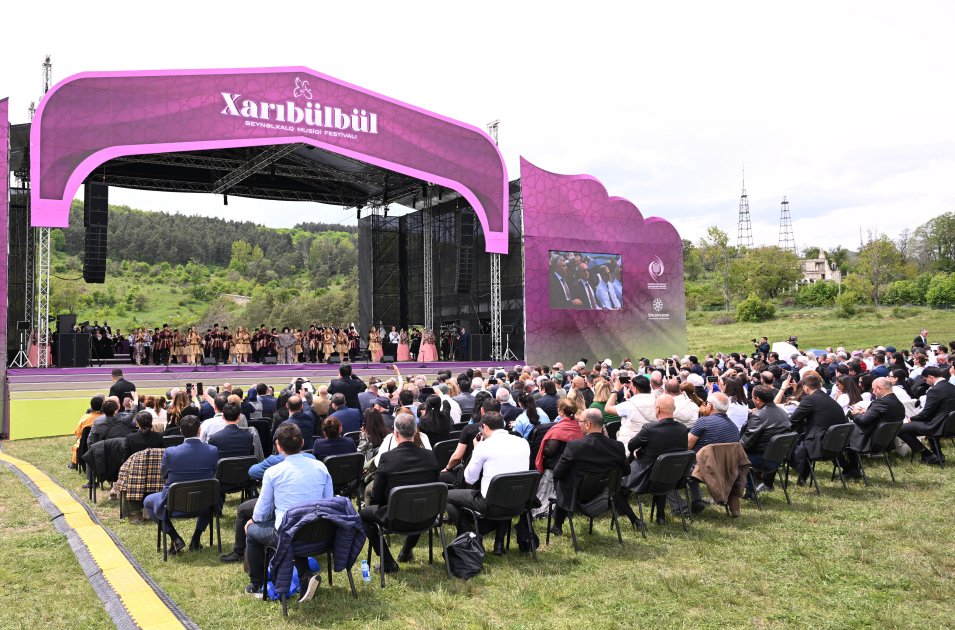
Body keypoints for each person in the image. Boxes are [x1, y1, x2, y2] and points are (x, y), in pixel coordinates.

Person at [243, 423, 334, 601]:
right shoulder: (320, 467)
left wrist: (253, 520)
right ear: (302, 443)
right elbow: (328, 502)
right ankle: (305, 575)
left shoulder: (273, 472)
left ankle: (257, 584)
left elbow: (262, 509)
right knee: (294, 529)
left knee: (252, 533)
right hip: (320, 532)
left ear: (278, 446)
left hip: (291, 534)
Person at [359, 413, 440, 572]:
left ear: (395, 433)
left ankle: (389, 562)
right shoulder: (430, 456)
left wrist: (384, 506)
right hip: (427, 516)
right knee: (419, 501)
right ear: (416, 431)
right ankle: (404, 553)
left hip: (396, 519)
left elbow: (377, 494)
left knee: (363, 515)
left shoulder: (388, 458)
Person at [446, 412, 530, 555]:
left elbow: (469, 479)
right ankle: (498, 543)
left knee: (446, 495)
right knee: (505, 491)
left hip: (491, 505)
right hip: (519, 503)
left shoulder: (484, 447)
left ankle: (472, 535)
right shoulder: (523, 442)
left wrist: (477, 448)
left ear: (484, 427)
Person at [143, 416, 218, 554]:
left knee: (148, 501)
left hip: (176, 505)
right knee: (208, 493)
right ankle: (188, 538)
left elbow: (163, 474)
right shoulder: (212, 450)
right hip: (204, 503)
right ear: (199, 430)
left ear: (181, 431)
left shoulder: (171, 452)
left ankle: (176, 537)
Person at [549, 408, 628, 536]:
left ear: (588, 424)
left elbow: (558, 473)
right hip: (606, 493)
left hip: (577, 497)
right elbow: (626, 471)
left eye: (579, 421)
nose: (578, 424)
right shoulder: (617, 446)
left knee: (563, 480)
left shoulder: (574, 446)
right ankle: (557, 524)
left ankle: (557, 524)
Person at [618, 395, 689, 526]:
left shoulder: (649, 429)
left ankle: (635, 520)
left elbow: (631, 445)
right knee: (663, 470)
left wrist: (640, 451)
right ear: (673, 409)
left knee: (616, 487)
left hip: (646, 480)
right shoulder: (683, 429)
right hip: (673, 478)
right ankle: (660, 517)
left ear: (657, 409)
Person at [682, 393, 741, 514]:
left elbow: (686, 445)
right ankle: (697, 501)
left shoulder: (703, 422)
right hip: (727, 470)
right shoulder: (734, 427)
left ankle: (684, 505)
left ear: (710, 405)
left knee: (683, 463)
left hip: (704, 470)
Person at [788, 372, 850, 483]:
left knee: (793, 439)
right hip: (836, 446)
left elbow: (793, 421)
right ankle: (802, 478)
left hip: (819, 446)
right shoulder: (830, 400)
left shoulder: (809, 400)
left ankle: (801, 476)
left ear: (806, 388)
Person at [840, 377, 905, 477]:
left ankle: (851, 469)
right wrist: (867, 413)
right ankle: (852, 469)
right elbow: (881, 417)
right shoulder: (898, 403)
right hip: (886, 442)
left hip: (869, 441)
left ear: (879, 388)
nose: (873, 392)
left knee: (842, 436)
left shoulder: (880, 403)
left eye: (873, 389)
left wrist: (856, 414)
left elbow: (863, 422)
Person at [898, 366, 955, 465]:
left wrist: (911, 418)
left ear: (930, 377)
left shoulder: (935, 390)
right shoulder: (952, 387)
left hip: (938, 426)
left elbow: (926, 413)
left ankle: (927, 455)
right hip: (950, 425)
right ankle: (938, 455)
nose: (926, 382)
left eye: (925, 380)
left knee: (900, 428)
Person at [740, 385, 791, 494]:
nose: (752, 399)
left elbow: (744, 444)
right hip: (778, 459)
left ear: (757, 399)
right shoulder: (782, 412)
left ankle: (732, 493)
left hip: (760, 460)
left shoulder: (758, 416)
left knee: (731, 456)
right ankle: (751, 489)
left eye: (752, 397)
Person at [604, 375, 656, 446]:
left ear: (635, 389)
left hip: (630, 445)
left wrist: (615, 390)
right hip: (652, 443)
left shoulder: (628, 405)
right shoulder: (658, 402)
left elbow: (607, 408)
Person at [70, 395, 105, 467]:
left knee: (77, 443)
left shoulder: (85, 418)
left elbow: (78, 433)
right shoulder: (106, 417)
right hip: (103, 442)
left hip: (85, 444)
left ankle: (74, 463)